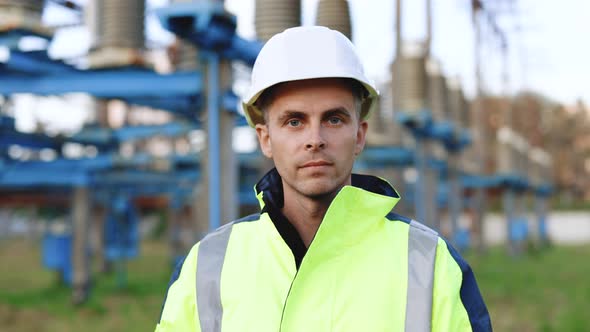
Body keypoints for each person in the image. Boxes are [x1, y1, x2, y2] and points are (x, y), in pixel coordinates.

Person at [156, 26, 492, 332]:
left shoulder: (430, 264)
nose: (314, 139)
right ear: (265, 138)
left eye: (333, 119)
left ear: (359, 135)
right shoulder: (208, 266)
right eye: (294, 121)